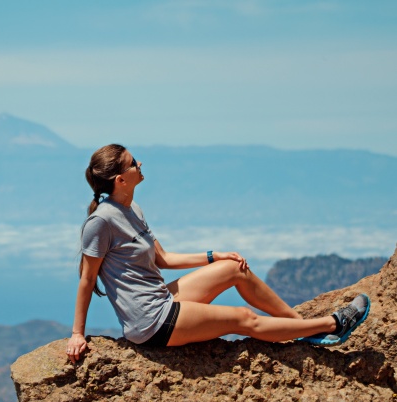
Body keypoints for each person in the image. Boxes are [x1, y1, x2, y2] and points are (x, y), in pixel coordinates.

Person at [66, 144, 370, 363]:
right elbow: (87, 279)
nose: (140, 164)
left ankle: (305, 328)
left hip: (162, 301)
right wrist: (77, 334)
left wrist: (217, 255)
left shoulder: (133, 209)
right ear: (120, 180)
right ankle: (333, 324)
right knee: (243, 318)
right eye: (133, 163)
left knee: (235, 269)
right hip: (150, 322)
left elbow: (165, 259)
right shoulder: (101, 221)